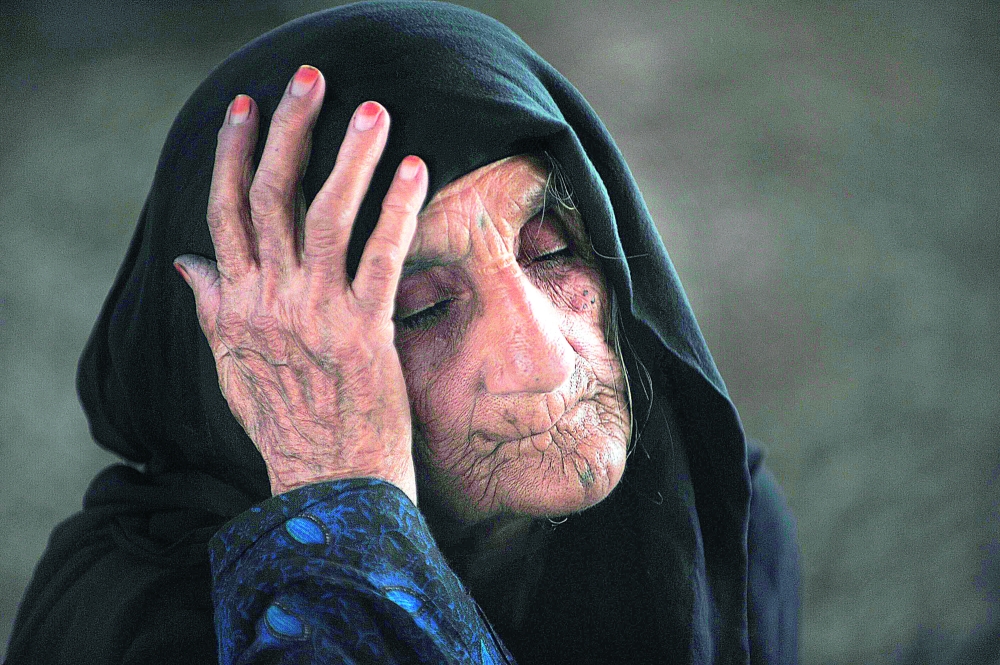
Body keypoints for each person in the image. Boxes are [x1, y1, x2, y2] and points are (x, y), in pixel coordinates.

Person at [4, 2, 801, 663]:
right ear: (264, 360)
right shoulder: (128, 625)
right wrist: (342, 510)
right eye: (418, 307)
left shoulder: (717, 519)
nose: (543, 358)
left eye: (551, 250)